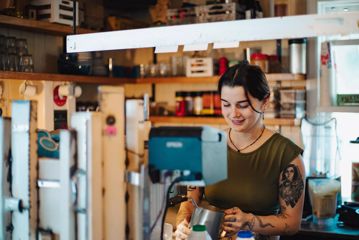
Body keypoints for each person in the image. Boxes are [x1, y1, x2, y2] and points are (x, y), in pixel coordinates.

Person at [174, 61, 305, 240]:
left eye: (242, 105)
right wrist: (182, 223)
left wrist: (250, 221)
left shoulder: (286, 156)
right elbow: (189, 203)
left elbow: (292, 224)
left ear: (265, 101)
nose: (233, 114)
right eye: (226, 104)